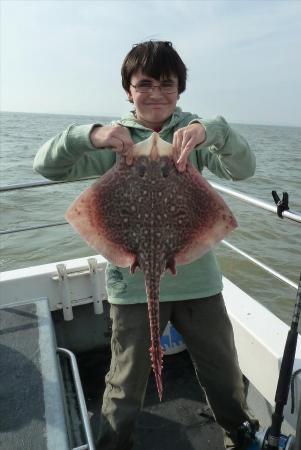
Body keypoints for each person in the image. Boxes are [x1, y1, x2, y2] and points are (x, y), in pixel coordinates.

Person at [33, 40, 258, 450]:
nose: (155, 92)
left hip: (198, 285)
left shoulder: (193, 137)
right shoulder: (117, 141)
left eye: (167, 84)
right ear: (129, 88)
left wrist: (213, 131)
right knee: (124, 383)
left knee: (224, 375)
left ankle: (241, 437)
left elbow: (245, 170)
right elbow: (45, 166)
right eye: (145, 83)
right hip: (132, 286)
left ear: (180, 89)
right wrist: (92, 135)